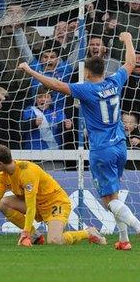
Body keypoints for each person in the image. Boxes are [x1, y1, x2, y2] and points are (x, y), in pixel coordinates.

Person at [19, 31, 140, 251]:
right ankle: (124, 240)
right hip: (121, 146)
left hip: (101, 149)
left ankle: (137, 227)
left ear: (86, 72)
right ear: (103, 70)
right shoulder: (115, 81)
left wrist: (29, 70)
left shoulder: (86, 90)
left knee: (108, 200)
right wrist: (128, 39)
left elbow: (55, 85)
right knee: (114, 194)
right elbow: (130, 62)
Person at [0, 144, 107, 246]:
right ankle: (35, 236)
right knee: (3, 203)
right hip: (36, 205)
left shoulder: (27, 172)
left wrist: (25, 232)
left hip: (55, 203)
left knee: (54, 241)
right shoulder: (3, 176)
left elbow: (30, 207)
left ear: (0, 163)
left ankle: (88, 232)